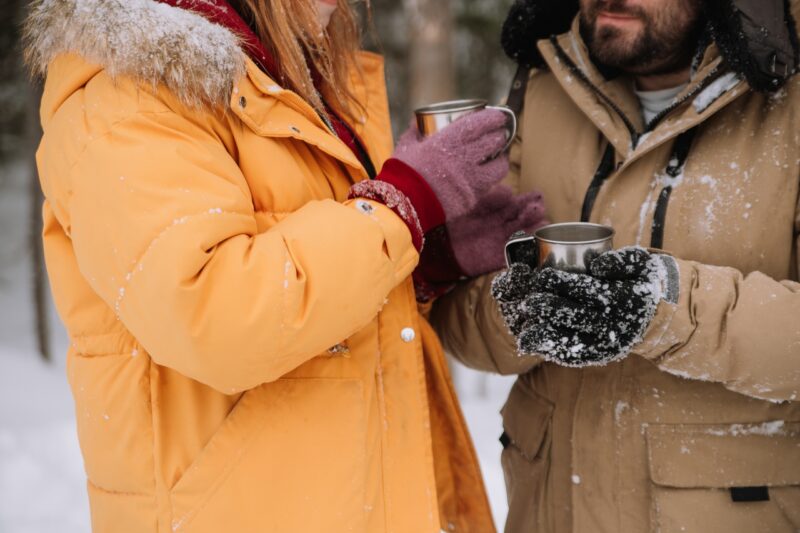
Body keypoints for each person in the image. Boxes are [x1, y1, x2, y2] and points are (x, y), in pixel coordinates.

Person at [23, 0, 545, 531]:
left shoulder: (281, 78)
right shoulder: (125, 98)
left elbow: (315, 294)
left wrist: (421, 257)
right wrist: (402, 204)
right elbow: (216, 318)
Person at [431, 0, 800, 531]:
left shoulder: (789, 101)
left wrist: (666, 307)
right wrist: (519, 313)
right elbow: (453, 313)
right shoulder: (543, 83)